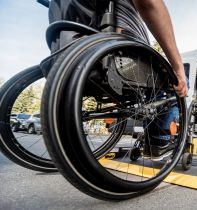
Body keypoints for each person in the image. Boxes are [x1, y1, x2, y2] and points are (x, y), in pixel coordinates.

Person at [48, 0, 188, 159]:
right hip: (118, 51)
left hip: (72, 55)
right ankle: (158, 141)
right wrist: (178, 67)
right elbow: (149, 3)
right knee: (178, 84)